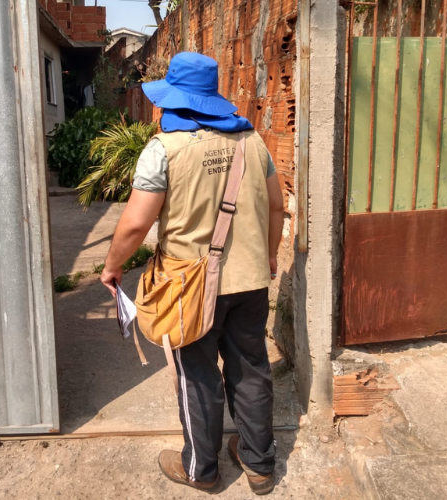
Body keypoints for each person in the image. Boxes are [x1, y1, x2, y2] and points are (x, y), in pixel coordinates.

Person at [99, 52, 284, 495]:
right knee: (252, 367)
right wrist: (271, 256)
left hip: (190, 287)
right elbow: (277, 206)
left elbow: (135, 224)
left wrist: (112, 266)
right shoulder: (253, 143)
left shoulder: (164, 149)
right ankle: (259, 464)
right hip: (252, 280)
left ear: (173, 102)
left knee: (196, 373)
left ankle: (202, 470)